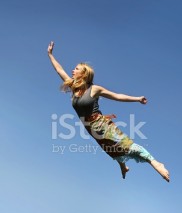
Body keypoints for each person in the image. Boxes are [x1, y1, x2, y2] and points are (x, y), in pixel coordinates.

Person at [47, 41, 170, 182]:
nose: (72, 71)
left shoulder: (94, 89)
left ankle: (155, 162)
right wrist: (50, 54)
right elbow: (59, 70)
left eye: (76, 69)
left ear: (84, 74)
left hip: (101, 124)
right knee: (111, 149)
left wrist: (137, 99)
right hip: (90, 128)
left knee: (126, 145)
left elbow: (117, 96)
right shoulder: (74, 87)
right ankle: (123, 167)